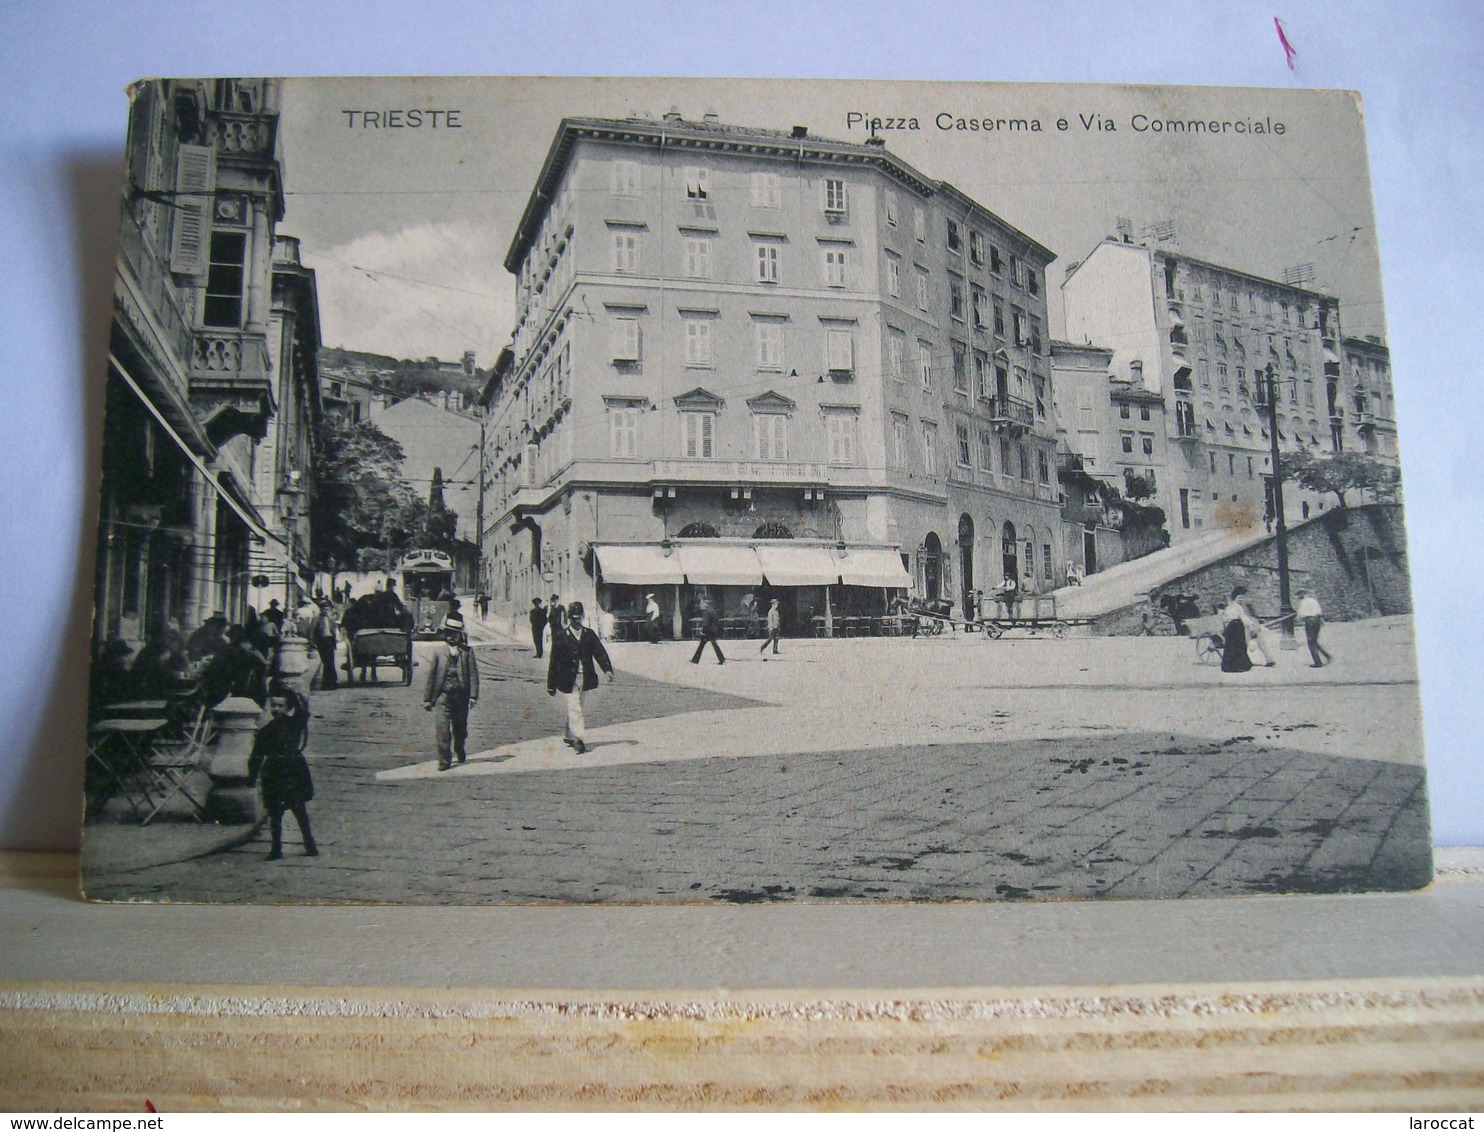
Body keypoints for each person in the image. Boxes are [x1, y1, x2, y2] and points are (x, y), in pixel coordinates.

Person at [247, 684, 317, 861]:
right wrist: (252, 776)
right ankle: (276, 848)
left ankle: (309, 843)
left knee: (299, 810)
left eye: (281, 705)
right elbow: (256, 756)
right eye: (273, 705)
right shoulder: (265, 731)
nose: (276, 709)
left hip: (293, 770)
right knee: (275, 813)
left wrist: (292, 694)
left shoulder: (295, 723)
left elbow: (303, 711)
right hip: (274, 772)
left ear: (289, 707)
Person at [546, 601, 613, 754]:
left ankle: (569, 734)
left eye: (578, 618)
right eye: (573, 618)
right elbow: (554, 661)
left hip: (586, 678)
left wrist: (607, 669)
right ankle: (579, 739)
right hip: (567, 679)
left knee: (578, 707)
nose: (576, 621)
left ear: (582, 617)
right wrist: (551, 684)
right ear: (569, 618)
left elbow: (599, 652)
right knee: (574, 707)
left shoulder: (589, 634)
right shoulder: (561, 636)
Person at [423, 613, 480, 771]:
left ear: (460, 635)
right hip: (443, 696)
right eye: (448, 633)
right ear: (444, 634)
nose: (451, 637)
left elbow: (474, 675)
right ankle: (444, 760)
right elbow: (431, 677)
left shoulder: (467, 652)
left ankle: (459, 747)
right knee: (442, 729)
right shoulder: (439, 653)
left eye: (455, 633)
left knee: (460, 728)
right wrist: (427, 699)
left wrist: (474, 696)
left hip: (461, 697)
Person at [1218, 586, 1272, 673]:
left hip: (1235, 626)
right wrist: (1251, 626)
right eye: (1239, 597)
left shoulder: (1233, 606)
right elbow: (1243, 618)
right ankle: (1237, 666)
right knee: (1237, 646)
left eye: (1242, 598)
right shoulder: (1236, 607)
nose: (1241, 600)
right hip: (1235, 627)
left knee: (1235, 646)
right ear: (1235, 598)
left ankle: (1234, 665)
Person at [1296, 590, 1332, 668]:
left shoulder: (1303, 602)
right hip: (1316, 620)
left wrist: (1297, 619)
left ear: (1302, 595)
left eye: (1299, 595)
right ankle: (1326, 655)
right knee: (1314, 640)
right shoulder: (1313, 601)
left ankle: (1318, 662)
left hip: (1309, 621)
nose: (1298, 597)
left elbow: (1300, 614)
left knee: (1310, 642)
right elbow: (1319, 611)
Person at [310, 598, 339, 690]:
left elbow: (334, 631)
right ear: (321, 609)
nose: (325, 611)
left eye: (327, 609)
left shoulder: (331, 620)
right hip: (321, 641)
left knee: (330, 662)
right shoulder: (316, 619)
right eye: (324, 609)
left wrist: (335, 641)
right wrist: (313, 642)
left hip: (329, 641)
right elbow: (312, 632)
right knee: (326, 662)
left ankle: (331, 683)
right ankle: (329, 683)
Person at [690, 597, 725, 665]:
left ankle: (695, 659)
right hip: (712, 630)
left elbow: (706, 622)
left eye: (701, 603)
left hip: (708, 630)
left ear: (705, 603)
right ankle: (721, 659)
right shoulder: (711, 610)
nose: (700, 605)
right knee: (708, 645)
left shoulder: (706, 611)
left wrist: (702, 629)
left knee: (705, 645)